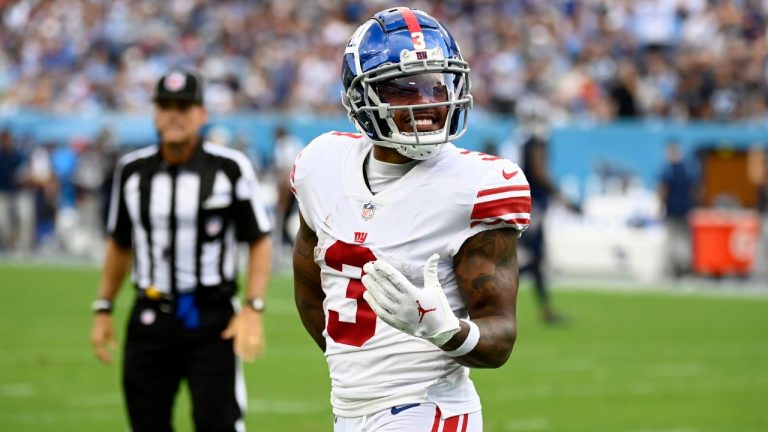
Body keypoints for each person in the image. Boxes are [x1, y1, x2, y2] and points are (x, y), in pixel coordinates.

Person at [291, 8, 530, 431]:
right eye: (404, 88)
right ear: (362, 97)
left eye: (436, 84)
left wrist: (441, 328)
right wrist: (358, 371)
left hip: (430, 410)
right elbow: (312, 288)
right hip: (348, 408)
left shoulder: (477, 185)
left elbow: (501, 338)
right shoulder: (320, 163)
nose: (428, 102)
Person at [90, 69, 272, 432]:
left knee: (218, 423)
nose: (174, 115)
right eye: (166, 106)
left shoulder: (229, 169)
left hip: (212, 318)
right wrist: (104, 306)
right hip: (150, 315)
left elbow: (259, 239)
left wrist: (253, 308)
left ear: (201, 114)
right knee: (146, 423)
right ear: (155, 113)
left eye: (184, 106)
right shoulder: (132, 171)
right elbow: (119, 243)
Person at [515, 93, 574, 324]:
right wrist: (562, 197)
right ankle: (488, 297)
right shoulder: (534, 141)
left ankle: (546, 311)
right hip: (532, 206)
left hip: (527, 203)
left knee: (535, 260)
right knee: (532, 258)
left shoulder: (521, 139)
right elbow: (540, 173)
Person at [658, 140, 697, 278]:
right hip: (685, 209)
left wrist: (660, 206)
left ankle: (674, 269)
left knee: (673, 240)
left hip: (673, 210)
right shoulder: (687, 169)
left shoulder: (669, 170)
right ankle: (685, 268)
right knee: (684, 240)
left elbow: (663, 190)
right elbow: (694, 190)